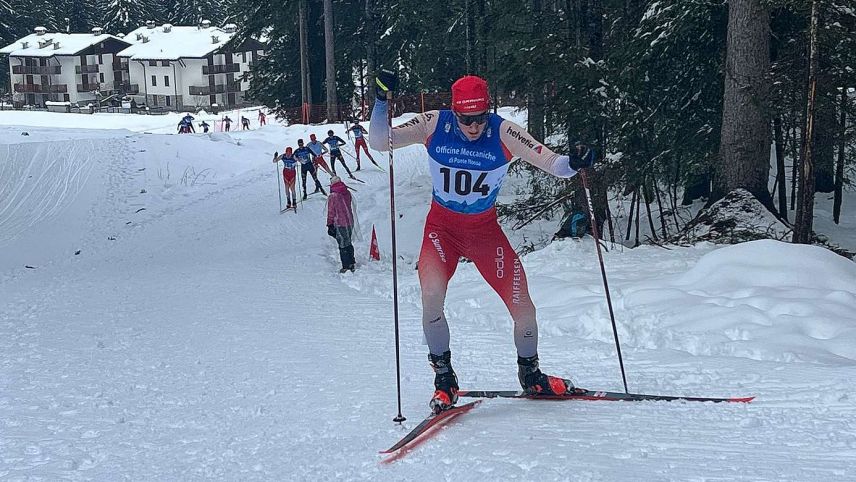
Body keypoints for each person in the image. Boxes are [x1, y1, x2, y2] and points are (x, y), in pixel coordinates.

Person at [369, 72, 595, 413]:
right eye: (466, 120)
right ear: (455, 112)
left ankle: (531, 374)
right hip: (441, 229)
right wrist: (381, 100)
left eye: (479, 119)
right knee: (431, 301)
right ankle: (445, 380)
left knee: (524, 308)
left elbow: (554, 164)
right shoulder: (434, 124)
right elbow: (379, 141)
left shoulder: (503, 131)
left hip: (484, 233)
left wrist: (575, 161)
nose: (473, 127)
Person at [326, 176, 357, 273]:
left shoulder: (333, 196)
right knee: (348, 242)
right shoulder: (347, 192)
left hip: (340, 223)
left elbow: (331, 211)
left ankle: (346, 265)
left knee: (342, 244)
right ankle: (352, 262)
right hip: (349, 221)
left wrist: (329, 224)